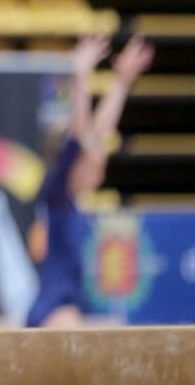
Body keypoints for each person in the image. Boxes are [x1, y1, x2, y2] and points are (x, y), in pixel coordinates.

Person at [26, 33, 154, 328]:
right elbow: (79, 137)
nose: (102, 165)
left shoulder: (73, 205)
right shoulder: (57, 197)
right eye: (94, 161)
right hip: (53, 311)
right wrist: (81, 76)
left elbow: (97, 136)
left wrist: (121, 82)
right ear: (71, 167)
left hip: (71, 307)